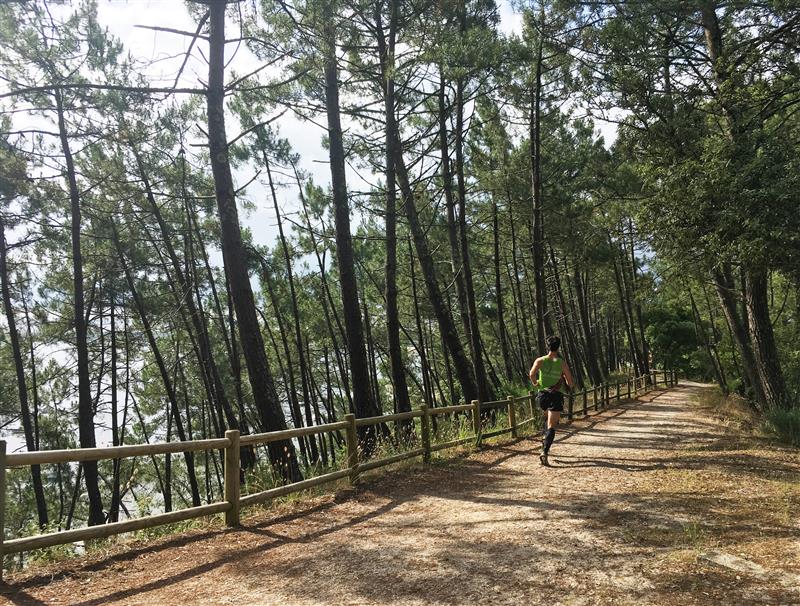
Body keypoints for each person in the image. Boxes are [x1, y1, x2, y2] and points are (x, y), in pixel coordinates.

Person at [529, 336, 574, 466]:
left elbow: (532, 374)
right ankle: (545, 451)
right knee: (551, 425)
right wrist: (567, 383)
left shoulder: (540, 360)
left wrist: (536, 384)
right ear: (558, 347)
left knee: (546, 418)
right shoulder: (561, 363)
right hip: (555, 395)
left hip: (542, 395)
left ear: (547, 346)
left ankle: (544, 440)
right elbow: (570, 382)